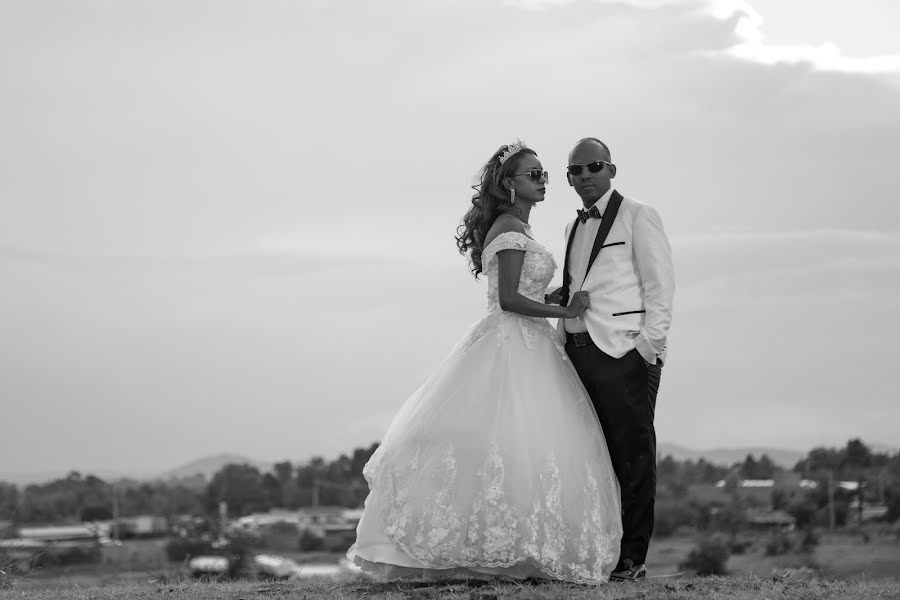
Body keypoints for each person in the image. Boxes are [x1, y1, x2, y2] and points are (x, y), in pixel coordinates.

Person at [347, 140, 623, 584]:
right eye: (533, 174)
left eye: (544, 174)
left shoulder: (520, 229)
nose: (543, 180)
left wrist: (549, 299)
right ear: (508, 184)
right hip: (510, 344)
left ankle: (516, 550)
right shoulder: (510, 228)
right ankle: (481, 550)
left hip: (531, 345)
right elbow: (511, 300)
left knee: (524, 448)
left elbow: (522, 293)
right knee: (502, 443)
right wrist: (565, 312)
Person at [550, 137, 675, 581]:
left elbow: (661, 286)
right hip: (576, 353)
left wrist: (646, 349)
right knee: (591, 457)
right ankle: (600, 552)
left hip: (623, 352)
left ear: (612, 170)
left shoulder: (639, 215)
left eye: (593, 167)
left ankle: (632, 559)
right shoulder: (571, 228)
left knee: (633, 456)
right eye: (576, 171)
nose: (585, 176)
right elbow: (577, 288)